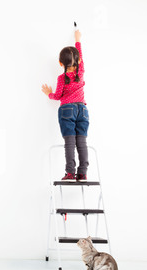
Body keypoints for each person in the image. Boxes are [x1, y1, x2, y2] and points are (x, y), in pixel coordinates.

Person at [42, 29, 89, 182]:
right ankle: (82, 173)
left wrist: (49, 93)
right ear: (79, 61)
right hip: (82, 110)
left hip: (67, 109)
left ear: (60, 63)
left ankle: (70, 173)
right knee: (81, 142)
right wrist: (78, 39)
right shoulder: (80, 72)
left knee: (69, 142)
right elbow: (79, 55)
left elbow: (58, 96)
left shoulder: (62, 78)